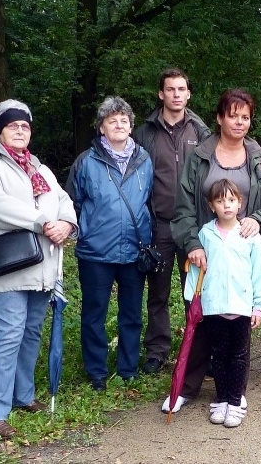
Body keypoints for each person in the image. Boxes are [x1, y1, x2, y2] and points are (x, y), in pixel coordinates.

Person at [166, 88, 261, 413]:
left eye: (245, 116)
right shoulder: (200, 157)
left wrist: (259, 219)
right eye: (233, 115)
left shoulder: (260, 158)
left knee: (237, 327)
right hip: (204, 255)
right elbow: (182, 208)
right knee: (200, 320)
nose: (239, 122)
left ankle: (234, 391)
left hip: (241, 256)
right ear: (219, 118)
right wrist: (192, 243)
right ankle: (186, 388)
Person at [0, 100, 77, 439]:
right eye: (13, 125)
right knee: (8, 333)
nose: (20, 130)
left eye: (25, 126)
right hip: (10, 265)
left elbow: (63, 200)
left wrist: (66, 224)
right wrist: (43, 221)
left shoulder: (39, 168)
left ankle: (23, 395)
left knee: (31, 332)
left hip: (42, 266)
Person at [66, 96, 154, 391]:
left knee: (131, 313)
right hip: (95, 252)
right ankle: (97, 373)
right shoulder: (85, 162)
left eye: (124, 120)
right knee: (94, 313)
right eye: (112, 120)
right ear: (101, 127)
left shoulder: (144, 159)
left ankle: (128, 369)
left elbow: (150, 201)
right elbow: (72, 203)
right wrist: (86, 231)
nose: (119, 125)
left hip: (134, 250)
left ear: (131, 126)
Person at [133, 68, 211, 375]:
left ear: (188, 94)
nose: (176, 94)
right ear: (161, 94)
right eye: (171, 89)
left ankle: (199, 352)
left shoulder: (202, 132)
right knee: (158, 293)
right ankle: (157, 351)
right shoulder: (144, 133)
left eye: (182, 89)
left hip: (193, 225)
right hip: (160, 224)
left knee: (196, 291)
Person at [184, 179, 261, 428]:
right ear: (212, 206)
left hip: (241, 306)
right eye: (220, 201)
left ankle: (235, 401)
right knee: (219, 355)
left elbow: (258, 272)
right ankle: (221, 398)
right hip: (214, 306)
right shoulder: (205, 234)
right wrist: (194, 303)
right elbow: (195, 272)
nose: (226, 206)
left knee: (238, 356)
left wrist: (258, 305)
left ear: (240, 202)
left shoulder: (249, 235)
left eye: (231, 200)